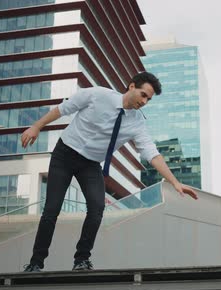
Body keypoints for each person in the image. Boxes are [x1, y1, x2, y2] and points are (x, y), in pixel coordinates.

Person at [21, 72, 198, 272]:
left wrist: (175, 182)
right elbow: (63, 109)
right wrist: (36, 127)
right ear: (131, 86)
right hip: (65, 154)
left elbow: (151, 152)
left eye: (148, 99)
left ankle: (81, 260)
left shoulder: (137, 122)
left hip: (91, 164)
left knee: (97, 208)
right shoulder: (97, 95)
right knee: (51, 209)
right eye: (143, 94)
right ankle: (36, 262)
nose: (144, 101)